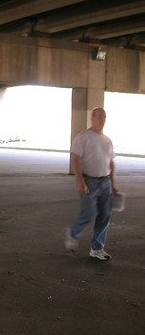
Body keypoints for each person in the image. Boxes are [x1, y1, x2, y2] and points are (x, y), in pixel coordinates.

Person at [65, 107, 118, 261]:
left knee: (105, 215)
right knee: (88, 214)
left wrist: (114, 183)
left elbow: (111, 162)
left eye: (104, 117)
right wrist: (80, 181)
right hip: (89, 181)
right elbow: (75, 159)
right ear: (92, 118)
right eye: (99, 116)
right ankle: (73, 233)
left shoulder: (107, 140)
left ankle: (97, 248)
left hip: (105, 182)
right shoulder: (83, 137)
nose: (102, 119)